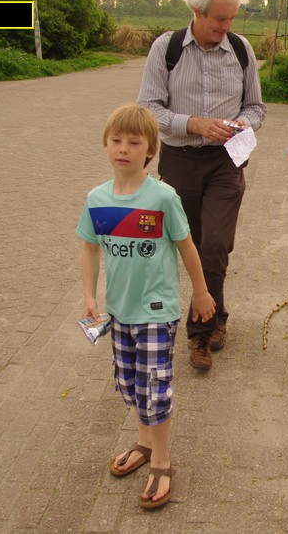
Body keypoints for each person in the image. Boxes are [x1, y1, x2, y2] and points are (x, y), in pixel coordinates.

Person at [78, 104, 216, 510]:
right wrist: (89, 295)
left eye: (134, 142)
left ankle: (161, 459)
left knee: (153, 387)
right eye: (116, 140)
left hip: (157, 311)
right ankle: (143, 442)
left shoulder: (162, 197)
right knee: (130, 385)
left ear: (150, 150)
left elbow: (186, 245)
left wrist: (201, 292)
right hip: (119, 311)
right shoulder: (97, 199)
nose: (124, 148)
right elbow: (90, 248)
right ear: (106, 145)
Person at [137, 0, 266, 372]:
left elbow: (257, 108)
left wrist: (242, 123)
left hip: (227, 160)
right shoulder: (167, 48)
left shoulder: (241, 49)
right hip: (180, 160)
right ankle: (216, 313)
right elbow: (149, 108)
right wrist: (193, 123)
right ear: (197, 12)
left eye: (231, 18)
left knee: (216, 243)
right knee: (191, 244)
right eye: (220, 19)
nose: (227, 26)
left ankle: (201, 334)